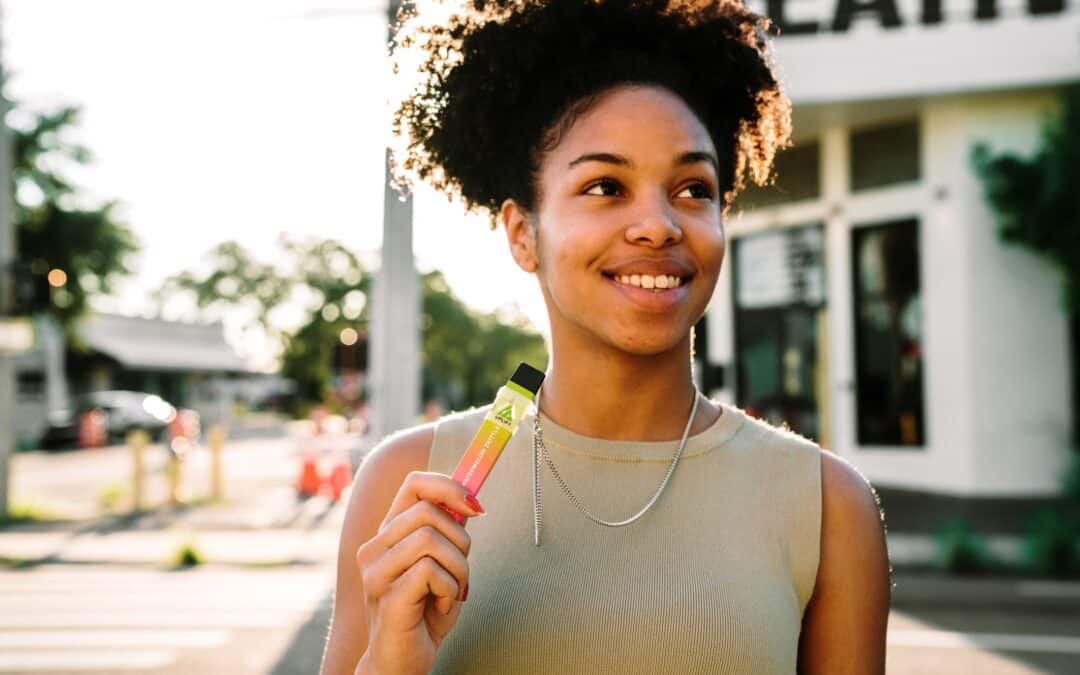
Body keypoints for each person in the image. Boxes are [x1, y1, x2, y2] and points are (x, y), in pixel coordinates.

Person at [321, 1, 892, 673]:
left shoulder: (828, 506)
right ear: (522, 233)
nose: (657, 224)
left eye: (692, 188)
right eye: (604, 185)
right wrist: (391, 656)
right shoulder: (406, 483)